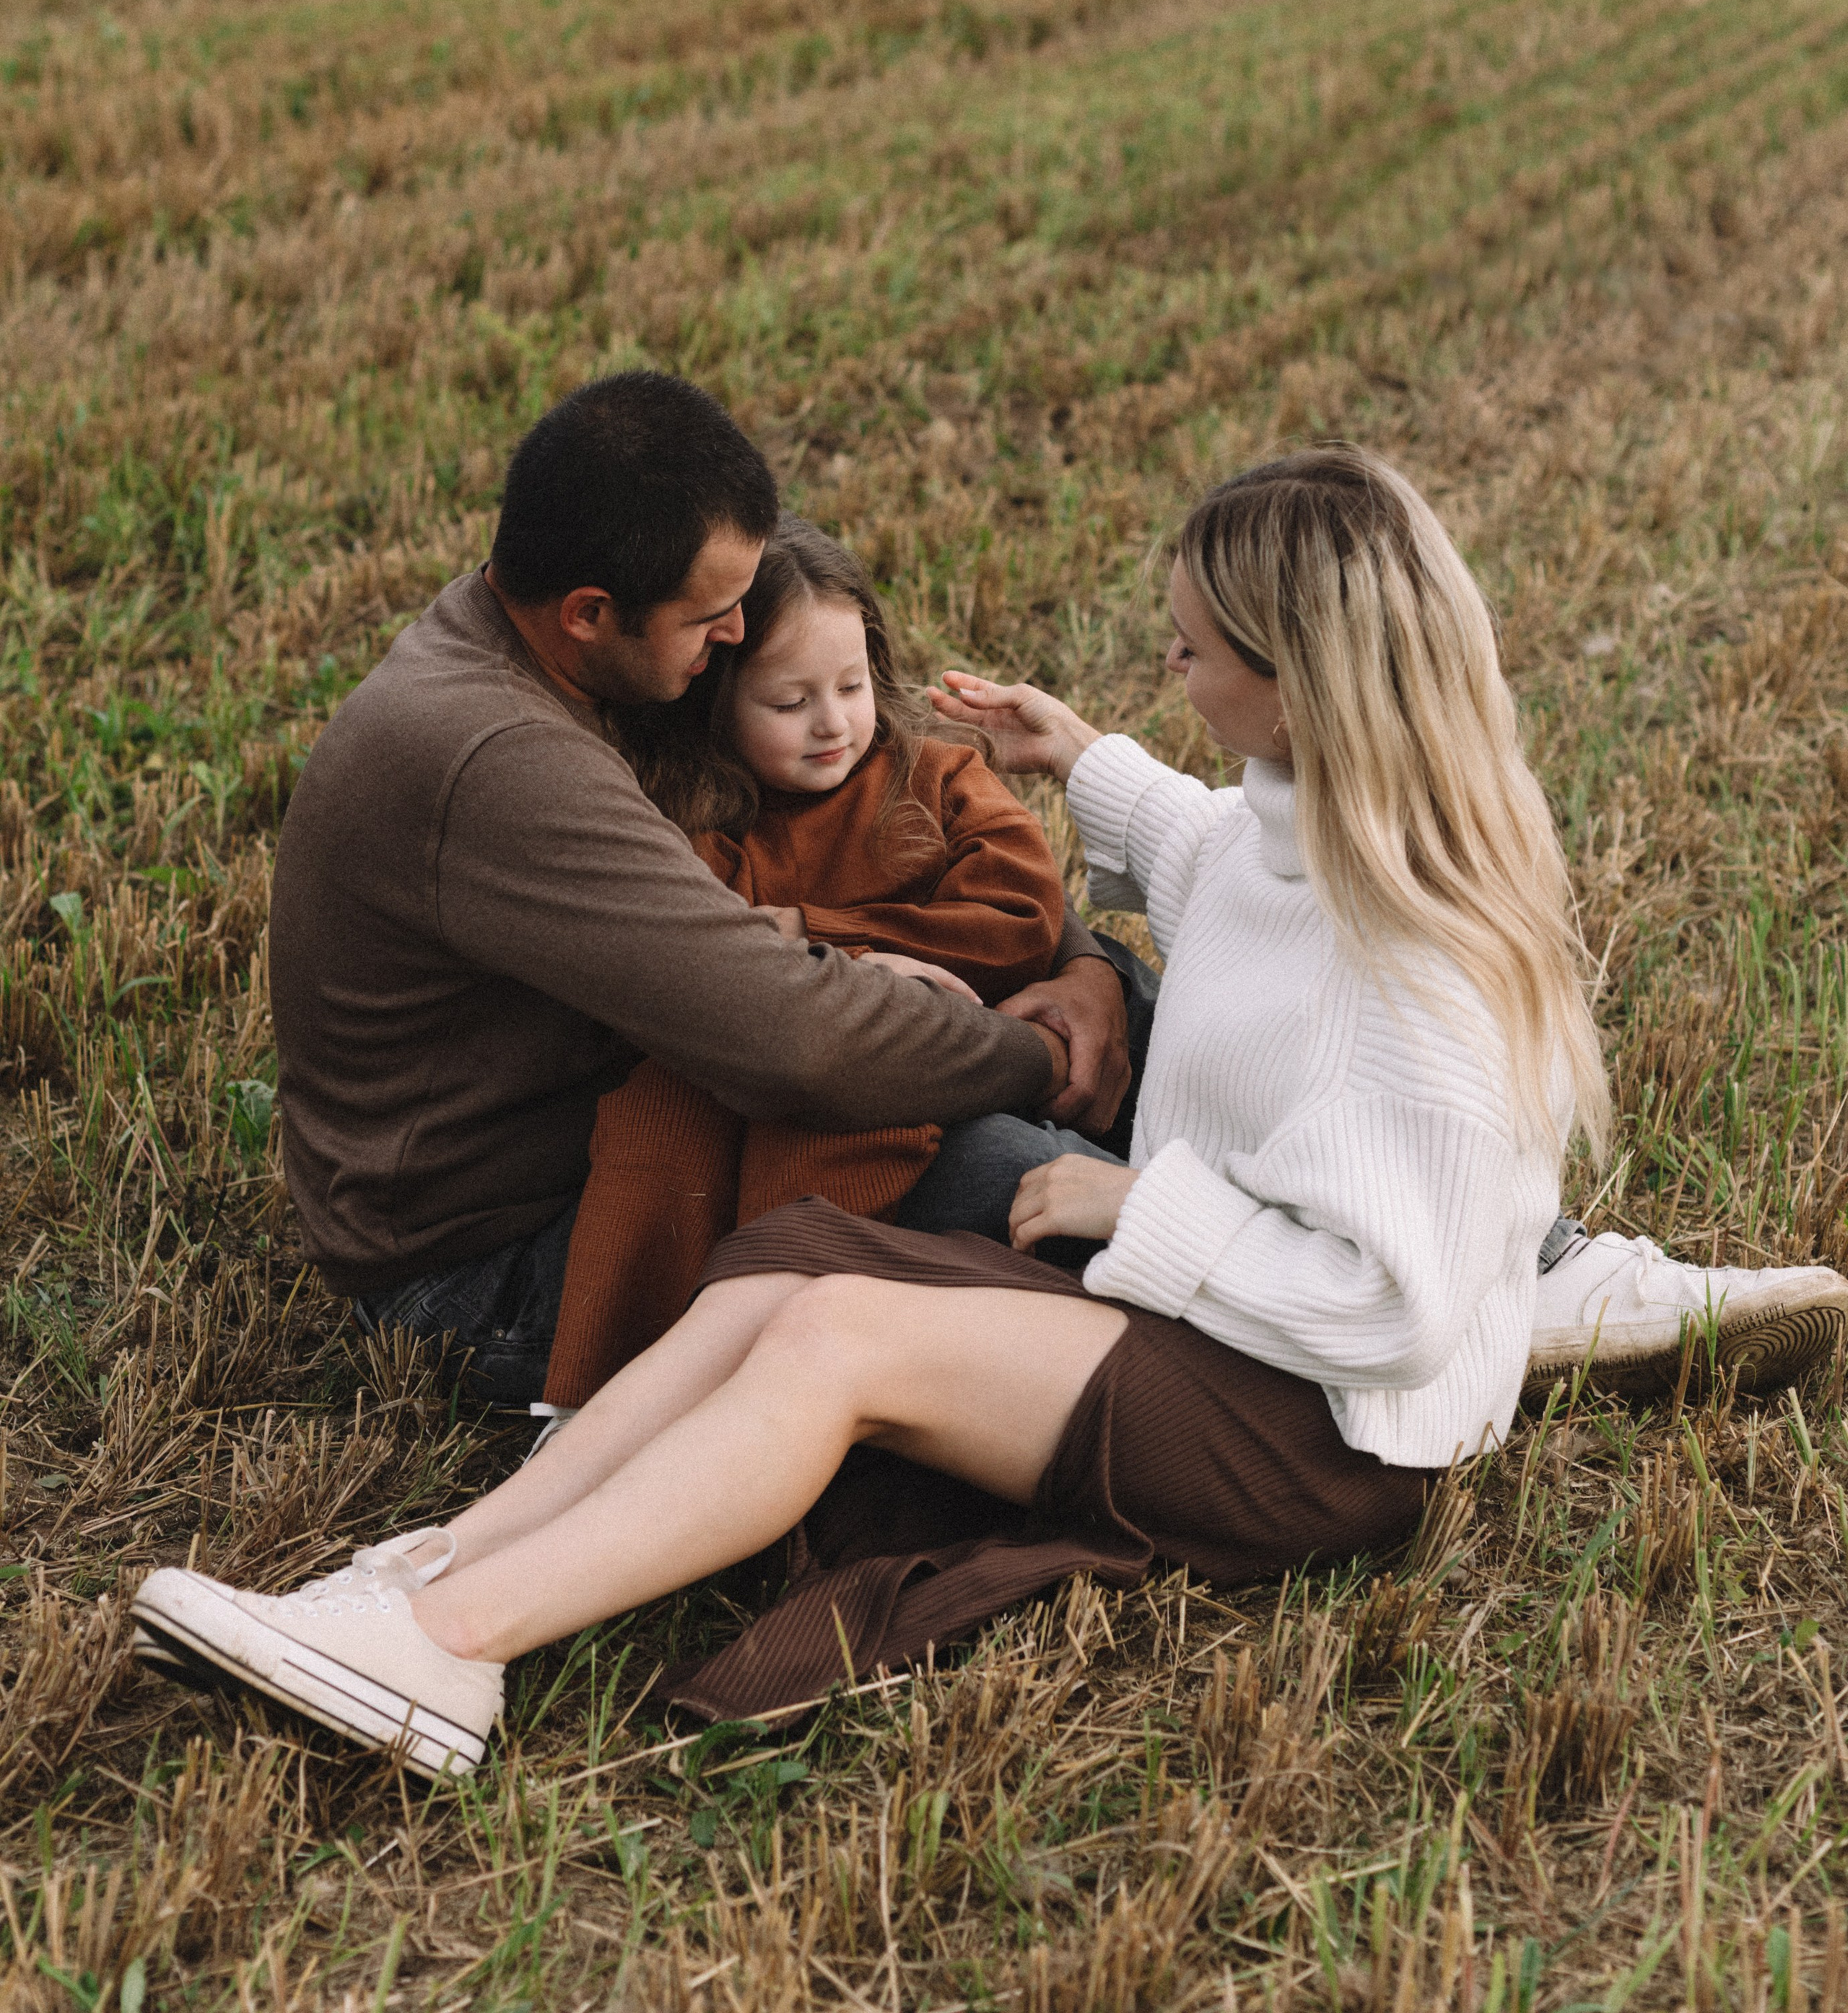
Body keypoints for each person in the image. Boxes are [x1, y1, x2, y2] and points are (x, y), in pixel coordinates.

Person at [142, 445, 1832, 1782]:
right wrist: (1076, 756)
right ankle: (412, 1579)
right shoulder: (1290, 818)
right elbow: (1199, 855)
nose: (1159, 655)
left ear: (1294, 677)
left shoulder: (1421, 985)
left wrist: (1134, 1214)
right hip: (1241, 1346)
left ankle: (462, 1651)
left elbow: (1384, 1318)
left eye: (1186, 644)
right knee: (783, 1262)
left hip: (1305, 1428)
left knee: (835, 1345)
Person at [266, 370, 1131, 1411]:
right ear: (591, 610)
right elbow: (796, 1038)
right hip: (501, 1261)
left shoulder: (568, 641)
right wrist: (1033, 1054)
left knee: (1130, 993)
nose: (734, 637)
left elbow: (885, 831)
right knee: (1012, 1179)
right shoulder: (501, 758)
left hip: (648, 1102)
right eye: (713, 614)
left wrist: (1078, 962)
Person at [539, 513, 1077, 1407]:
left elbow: (1018, 921)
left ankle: (788, 1365)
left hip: (932, 1076)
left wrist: (817, 934)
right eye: (789, 703)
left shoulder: (935, 780)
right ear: (713, 707)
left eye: (853, 686)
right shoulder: (703, 835)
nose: (833, 723)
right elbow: (707, 976)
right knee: (655, 1121)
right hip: (777, 1089)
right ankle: (610, 1388)